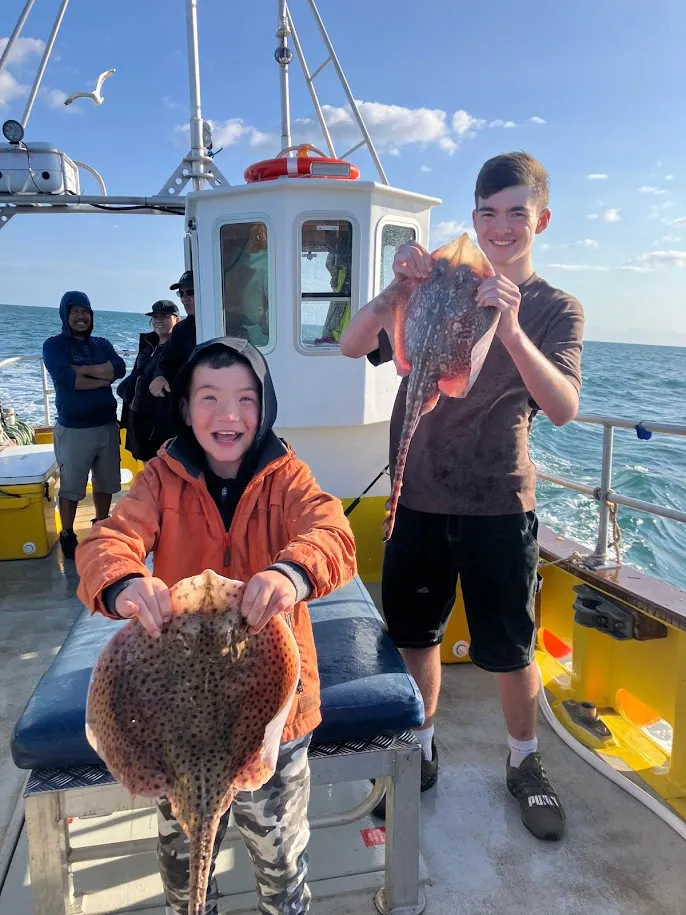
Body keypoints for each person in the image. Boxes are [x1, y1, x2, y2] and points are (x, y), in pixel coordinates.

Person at [340, 152, 584, 842]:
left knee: (510, 647)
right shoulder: (440, 280)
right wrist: (396, 291)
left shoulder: (553, 307)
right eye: (487, 213)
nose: (501, 227)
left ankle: (524, 762)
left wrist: (508, 328)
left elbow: (563, 406)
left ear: (540, 219)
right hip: (416, 493)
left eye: (515, 213)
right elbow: (352, 343)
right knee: (415, 636)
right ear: (473, 218)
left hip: (500, 501)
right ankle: (418, 747)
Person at [75, 336, 357, 914]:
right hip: (173, 718)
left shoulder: (288, 477)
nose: (227, 415)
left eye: (245, 399)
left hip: (272, 722)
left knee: (280, 861)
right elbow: (111, 537)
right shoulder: (160, 477)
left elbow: (334, 535)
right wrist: (125, 581)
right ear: (184, 407)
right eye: (208, 397)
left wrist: (291, 573)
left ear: (265, 405)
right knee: (184, 862)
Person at [42, 291, 126, 560]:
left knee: (106, 483)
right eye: (75, 311)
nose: (81, 316)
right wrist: (101, 377)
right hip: (73, 429)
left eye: (85, 311)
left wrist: (82, 370)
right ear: (65, 315)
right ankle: (67, 532)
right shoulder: (54, 345)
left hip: (106, 426)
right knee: (71, 486)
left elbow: (119, 369)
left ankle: (101, 525)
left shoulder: (101, 343)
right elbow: (68, 381)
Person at [118, 300, 181, 461]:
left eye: (165, 316)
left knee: (165, 467)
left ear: (177, 320)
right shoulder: (147, 345)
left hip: (162, 421)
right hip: (138, 417)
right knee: (147, 464)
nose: (159, 320)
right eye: (155, 317)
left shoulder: (179, 349)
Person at [149, 271, 197, 399]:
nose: (184, 298)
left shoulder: (226, 324)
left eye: (190, 292)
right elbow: (167, 360)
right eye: (181, 293)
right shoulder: (181, 330)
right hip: (190, 400)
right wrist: (160, 376)